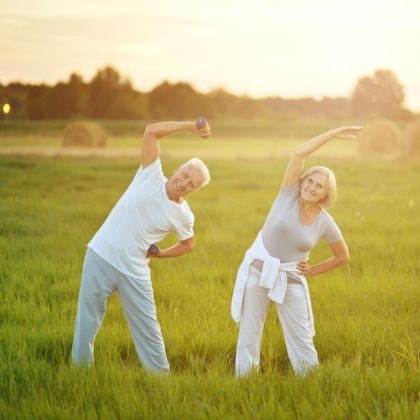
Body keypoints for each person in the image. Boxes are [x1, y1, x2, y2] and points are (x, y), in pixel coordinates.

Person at [71, 119, 211, 373]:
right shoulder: (151, 174)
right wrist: (191, 126)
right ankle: (80, 374)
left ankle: (161, 381)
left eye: (193, 184)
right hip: (101, 255)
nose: (185, 183)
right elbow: (151, 131)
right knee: (87, 321)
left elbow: (188, 244)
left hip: (135, 271)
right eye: (186, 175)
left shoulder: (184, 215)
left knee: (149, 328)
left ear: (194, 190)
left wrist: (160, 253)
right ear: (178, 168)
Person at [231, 126, 363, 376]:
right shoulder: (288, 193)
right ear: (302, 182)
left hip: (291, 277)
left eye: (319, 186)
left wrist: (312, 270)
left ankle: (311, 381)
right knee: (249, 333)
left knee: (301, 337)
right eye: (310, 181)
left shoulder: (325, 221)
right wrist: (333, 134)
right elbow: (300, 154)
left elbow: (342, 256)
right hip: (259, 269)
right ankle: (245, 383)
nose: (312, 187)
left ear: (326, 194)